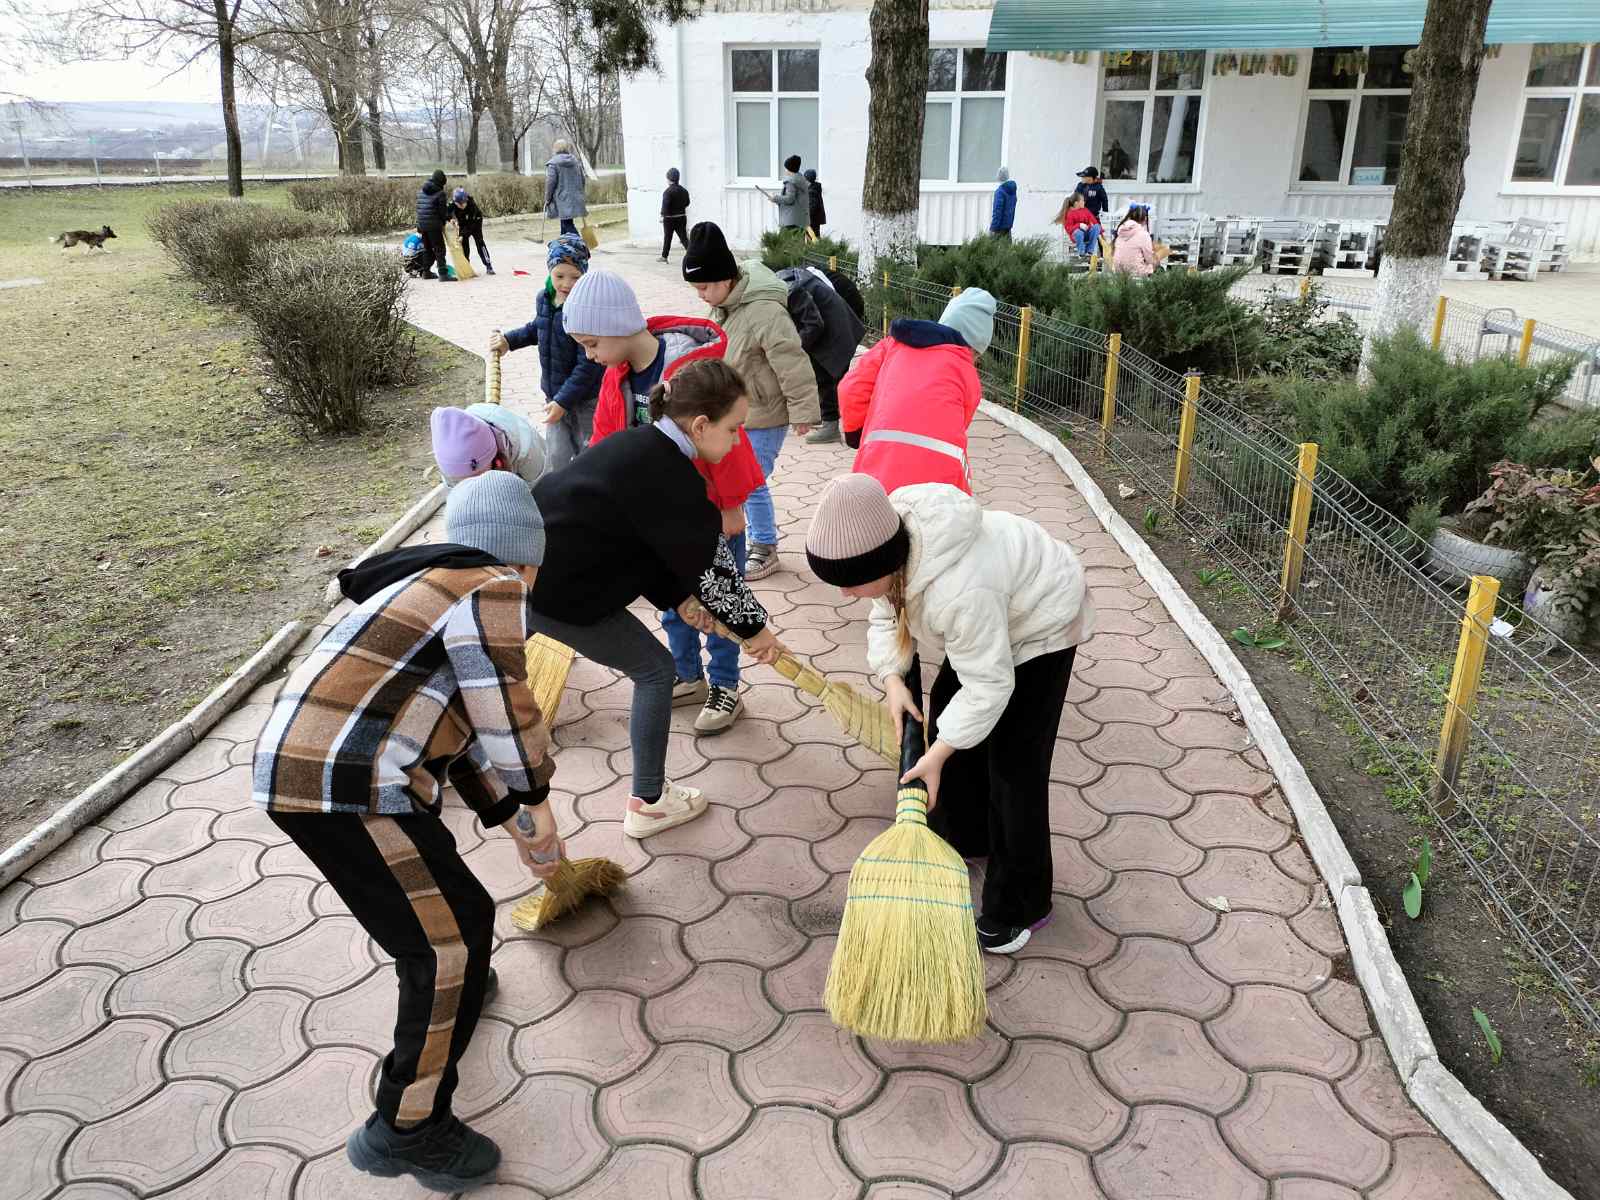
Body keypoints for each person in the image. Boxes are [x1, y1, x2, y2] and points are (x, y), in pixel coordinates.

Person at [254, 471, 560, 1191]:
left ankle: (457, 987)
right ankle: (407, 1127)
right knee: (444, 941)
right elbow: (502, 704)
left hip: (315, 772)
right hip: (348, 785)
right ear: (524, 558)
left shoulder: (424, 585)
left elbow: (457, 726)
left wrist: (511, 817)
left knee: (449, 916)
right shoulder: (490, 584)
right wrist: (536, 795)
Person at [804, 473, 1095, 954]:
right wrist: (892, 680)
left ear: (883, 562)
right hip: (989, 624)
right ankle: (968, 835)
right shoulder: (890, 546)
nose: (844, 594)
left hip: (1042, 621)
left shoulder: (960, 592)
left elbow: (989, 684)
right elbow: (886, 611)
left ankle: (1021, 904)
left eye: (849, 583)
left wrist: (936, 757)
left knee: (1015, 766)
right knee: (947, 720)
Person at [529, 333, 786, 831]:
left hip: (527, 574)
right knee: (653, 670)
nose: (738, 441)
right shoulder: (674, 477)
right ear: (701, 424)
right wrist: (757, 632)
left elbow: (640, 544)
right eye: (734, 429)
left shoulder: (640, 444)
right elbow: (714, 571)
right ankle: (649, 802)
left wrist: (681, 599)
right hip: (561, 590)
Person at [572, 269, 767, 736]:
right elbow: (606, 440)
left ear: (618, 326)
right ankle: (688, 674)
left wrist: (731, 504)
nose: (590, 355)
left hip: (709, 514)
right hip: (657, 519)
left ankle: (725, 684)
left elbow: (730, 444)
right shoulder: (616, 379)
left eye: (592, 343)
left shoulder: (689, 371)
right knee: (674, 604)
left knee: (721, 600)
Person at [681, 221, 820, 582]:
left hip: (766, 414)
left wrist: (803, 410)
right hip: (736, 416)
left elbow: (791, 359)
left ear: (726, 278)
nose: (701, 295)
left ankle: (765, 546)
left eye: (705, 286)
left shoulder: (764, 311)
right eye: (696, 288)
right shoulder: (724, 306)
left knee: (750, 482)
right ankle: (744, 541)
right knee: (737, 480)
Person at [838, 287, 994, 495]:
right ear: (972, 347)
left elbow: (852, 388)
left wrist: (856, 434)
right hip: (939, 485)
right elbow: (957, 425)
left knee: (873, 512)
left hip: (879, 469)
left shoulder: (892, 346)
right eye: (976, 355)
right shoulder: (965, 371)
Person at [489, 234, 604, 473]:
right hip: (553, 396)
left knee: (589, 451)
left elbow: (588, 365)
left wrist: (563, 400)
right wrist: (509, 340)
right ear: (550, 271)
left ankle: (591, 488)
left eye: (575, 277)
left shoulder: (586, 308)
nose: (566, 284)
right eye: (559, 276)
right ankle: (558, 488)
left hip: (586, 399)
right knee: (556, 453)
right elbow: (537, 329)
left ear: (584, 275)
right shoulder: (544, 298)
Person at [776, 264, 866, 448]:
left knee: (827, 375)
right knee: (822, 373)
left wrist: (796, 346)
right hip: (829, 322)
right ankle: (825, 417)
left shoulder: (789, 291)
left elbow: (813, 324)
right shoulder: (781, 286)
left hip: (836, 328)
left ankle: (832, 427)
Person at [430, 404, 545, 488]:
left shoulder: (527, 449)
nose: (474, 488)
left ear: (495, 461)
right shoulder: (447, 460)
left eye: (478, 477)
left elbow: (542, 493)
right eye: (461, 481)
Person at [414, 168, 452, 283]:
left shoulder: (421, 191)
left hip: (422, 225)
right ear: (441, 182)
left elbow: (419, 208)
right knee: (440, 249)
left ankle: (426, 272)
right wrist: (447, 219)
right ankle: (443, 274)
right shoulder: (440, 194)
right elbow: (442, 212)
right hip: (433, 225)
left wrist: (419, 224)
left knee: (428, 248)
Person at [545, 139, 588, 238]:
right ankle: (565, 244)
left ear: (555, 149)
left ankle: (580, 244)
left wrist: (547, 198)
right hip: (575, 197)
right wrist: (579, 192)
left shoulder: (553, 164)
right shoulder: (575, 162)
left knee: (567, 224)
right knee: (565, 222)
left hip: (562, 198)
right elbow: (582, 179)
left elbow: (550, 183)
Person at [449, 186, 493, 275]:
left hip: (475, 222)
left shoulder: (472, 206)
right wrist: (450, 219)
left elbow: (470, 225)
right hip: (463, 223)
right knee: (464, 244)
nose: (462, 206)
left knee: (480, 242)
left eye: (463, 204)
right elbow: (445, 211)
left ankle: (488, 265)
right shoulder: (453, 203)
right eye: (459, 204)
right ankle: (466, 266)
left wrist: (462, 235)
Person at [1112, 204, 1157, 277]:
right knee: (1156, 267)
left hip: (1118, 271)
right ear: (1145, 218)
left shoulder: (1121, 231)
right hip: (1136, 272)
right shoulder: (1143, 234)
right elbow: (1149, 259)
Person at [772, 154, 810, 236]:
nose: (785, 170)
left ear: (790, 168)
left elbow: (790, 199)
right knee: (798, 242)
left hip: (790, 220)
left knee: (783, 242)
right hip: (800, 219)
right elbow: (797, 199)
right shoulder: (801, 179)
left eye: (786, 168)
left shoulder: (790, 181)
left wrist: (776, 198)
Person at [660, 167, 691, 263]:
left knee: (667, 238)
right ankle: (693, 254)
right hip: (681, 217)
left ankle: (664, 257)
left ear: (669, 179)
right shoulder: (684, 191)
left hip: (669, 219)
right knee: (684, 238)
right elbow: (687, 203)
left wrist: (662, 215)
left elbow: (665, 205)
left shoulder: (667, 192)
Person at [1056, 192, 1101, 256]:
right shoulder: (1070, 213)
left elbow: (1094, 221)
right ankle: (1081, 252)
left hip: (1087, 234)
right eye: (1082, 201)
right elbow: (1069, 229)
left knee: (1097, 226)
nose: (1084, 202)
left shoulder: (1085, 210)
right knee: (1079, 232)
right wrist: (1079, 225)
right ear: (1076, 203)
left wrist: (1100, 232)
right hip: (1076, 236)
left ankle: (1090, 250)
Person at [990, 167, 1017, 238]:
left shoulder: (1000, 192)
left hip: (999, 230)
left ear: (998, 177)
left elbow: (997, 212)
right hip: (1008, 229)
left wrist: (993, 229)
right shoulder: (1013, 191)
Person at [804, 168, 826, 238]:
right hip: (814, 220)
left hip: (812, 220)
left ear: (807, 180)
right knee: (814, 237)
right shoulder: (814, 188)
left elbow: (812, 207)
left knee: (812, 238)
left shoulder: (812, 191)